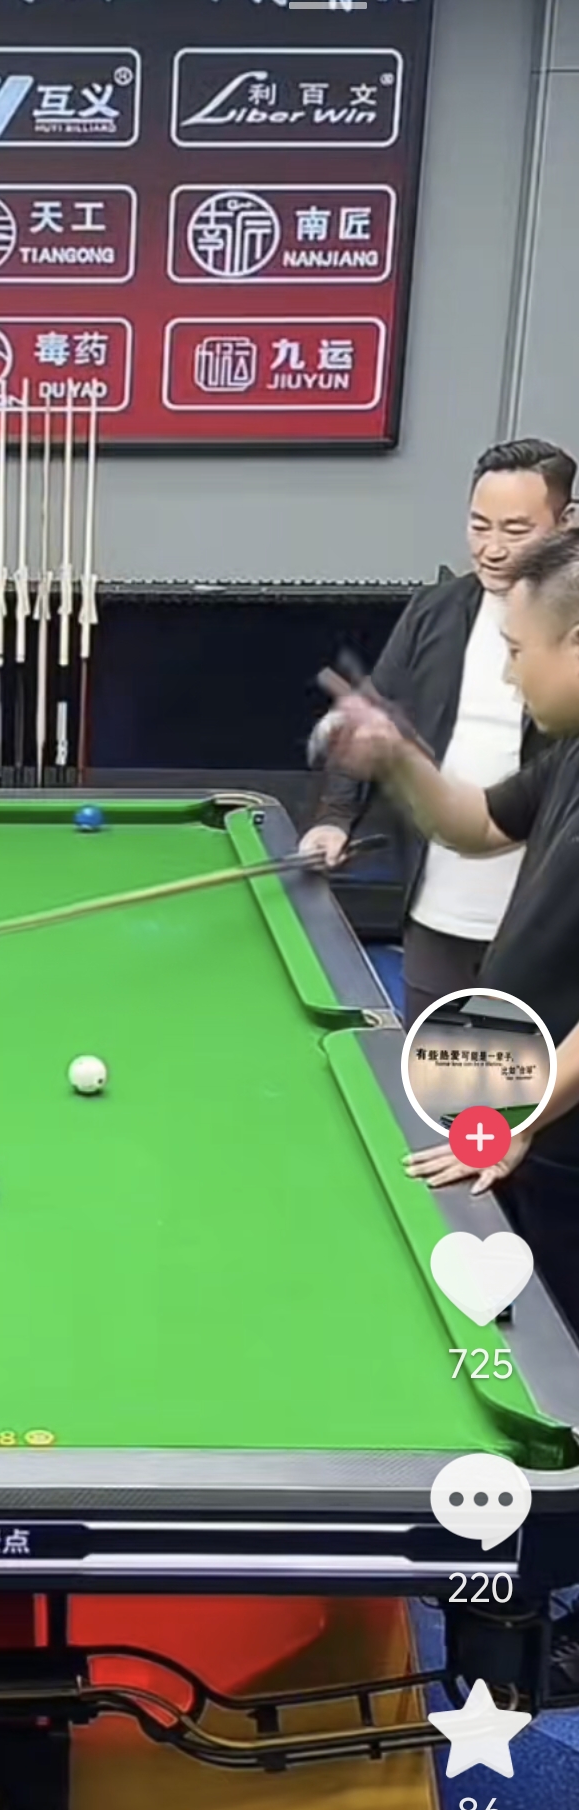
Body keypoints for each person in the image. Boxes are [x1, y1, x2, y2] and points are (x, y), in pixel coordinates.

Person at [312, 524, 579, 1340]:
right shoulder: (570, 750)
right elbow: (475, 823)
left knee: (555, 1351)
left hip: (560, 1141)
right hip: (524, 1101)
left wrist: (518, 1118)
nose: (508, 671)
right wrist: (396, 755)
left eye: (517, 650)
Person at [301, 437, 574, 1026]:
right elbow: (472, 821)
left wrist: (545, 1085)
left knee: (511, 1067)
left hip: (540, 932)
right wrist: (353, 796)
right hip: (442, 911)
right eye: (479, 526)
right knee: (438, 1069)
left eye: (516, 530)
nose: (492, 548)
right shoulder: (435, 610)